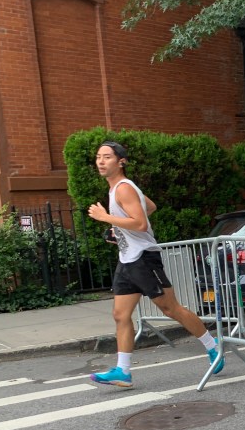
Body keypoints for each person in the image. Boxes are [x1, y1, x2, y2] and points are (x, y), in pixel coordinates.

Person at [86, 140, 224, 388]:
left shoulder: (123, 189)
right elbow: (149, 207)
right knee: (120, 315)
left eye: (107, 157)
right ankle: (123, 371)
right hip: (127, 259)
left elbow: (139, 223)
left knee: (171, 309)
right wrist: (118, 229)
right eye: (98, 157)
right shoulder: (118, 188)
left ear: (121, 161)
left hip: (143, 258)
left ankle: (213, 348)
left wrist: (106, 218)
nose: (101, 161)